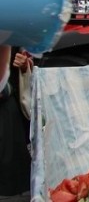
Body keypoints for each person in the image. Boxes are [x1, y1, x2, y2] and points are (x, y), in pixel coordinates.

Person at [0, 45, 32, 196]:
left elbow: (24, 65)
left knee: (11, 183)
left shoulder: (10, 34)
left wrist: (24, 65)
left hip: (8, 113)